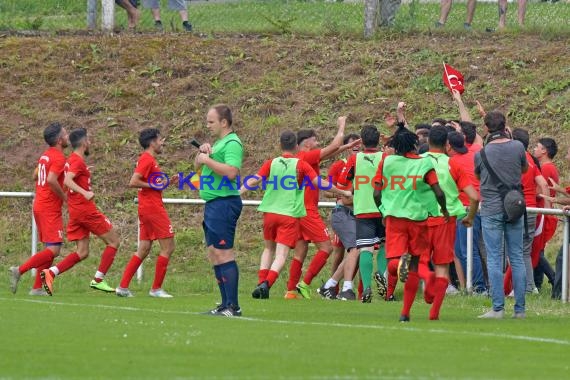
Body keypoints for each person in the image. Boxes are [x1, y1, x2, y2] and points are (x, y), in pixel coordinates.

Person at [241, 131, 352, 299]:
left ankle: (273, 286)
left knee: (274, 249)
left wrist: (238, 192)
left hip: (270, 211)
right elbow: (321, 180)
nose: (317, 142)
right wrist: (342, 191)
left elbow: (255, 179)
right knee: (286, 253)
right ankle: (277, 284)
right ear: (298, 146)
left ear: (280, 145)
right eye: (314, 140)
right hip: (291, 212)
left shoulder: (272, 162)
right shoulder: (301, 163)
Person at [373, 122, 448, 322]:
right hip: (419, 219)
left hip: (395, 218)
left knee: (393, 263)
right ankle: (405, 312)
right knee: (414, 265)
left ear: (396, 146)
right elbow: (438, 191)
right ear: (415, 145)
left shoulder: (387, 162)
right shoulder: (424, 163)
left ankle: (398, 268)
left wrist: (382, 210)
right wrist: (445, 209)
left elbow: (377, 193)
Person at [40, 128, 120, 296]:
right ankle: (98, 280)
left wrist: (83, 177)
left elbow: (68, 178)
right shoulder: (76, 161)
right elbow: (68, 181)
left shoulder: (72, 160)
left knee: (82, 252)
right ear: (84, 143)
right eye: (89, 140)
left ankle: (51, 272)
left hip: (75, 211)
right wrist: (85, 192)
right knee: (113, 242)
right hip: (85, 210)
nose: (90, 143)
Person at [287, 117, 360, 300]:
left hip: (298, 209)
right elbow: (333, 145)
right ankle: (305, 283)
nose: (318, 142)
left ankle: (290, 291)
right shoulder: (306, 156)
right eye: (315, 139)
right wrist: (342, 125)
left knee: (301, 250)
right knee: (326, 248)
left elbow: (331, 152)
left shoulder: (304, 157)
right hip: (307, 211)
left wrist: (346, 148)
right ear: (307, 142)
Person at [474, 111, 528, 319]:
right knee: (516, 257)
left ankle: (498, 308)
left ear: (486, 128)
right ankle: (520, 310)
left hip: (492, 208)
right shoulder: (518, 147)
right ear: (506, 126)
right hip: (514, 206)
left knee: (495, 258)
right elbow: (524, 169)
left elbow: (478, 175)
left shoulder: (481, 153)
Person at [422, 126, 479, 320]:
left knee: (419, 261)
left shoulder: (416, 162)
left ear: (428, 142)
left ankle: (426, 281)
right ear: (447, 144)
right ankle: (434, 313)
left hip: (420, 218)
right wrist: (469, 217)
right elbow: (474, 197)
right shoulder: (453, 165)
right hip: (446, 220)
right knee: (442, 266)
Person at [115, 128, 177, 298]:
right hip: (153, 208)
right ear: (152, 142)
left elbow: (148, 183)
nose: (162, 142)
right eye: (160, 140)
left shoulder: (148, 160)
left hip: (146, 207)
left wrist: (164, 183)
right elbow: (134, 181)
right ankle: (156, 289)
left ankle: (122, 287)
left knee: (144, 248)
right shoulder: (147, 159)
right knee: (169, 247)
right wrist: (155, 186)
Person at [9, 123, 69, 296]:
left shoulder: (46, 156)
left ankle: (37, 288)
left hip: (40, 205)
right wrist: (65, 197)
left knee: (49, 249)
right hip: (49, 207)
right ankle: (19, 270)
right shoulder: (58, 157)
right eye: (65, 134)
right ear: (59, 140)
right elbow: (51, 179)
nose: (67, 137)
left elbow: (36, 175)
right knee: (54, 250)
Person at [195, 104, 243, 317]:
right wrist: (203, 154)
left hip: (224, 203)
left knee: (224, 253)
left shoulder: (232, 143)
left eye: (211, 121)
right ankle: (224, 304)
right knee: (215, 254)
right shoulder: (218, 143)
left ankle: (232, 306)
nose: (208, 125)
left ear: (224, 122)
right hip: (214, 204)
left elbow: (232, 172)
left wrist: (208, 159)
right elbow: (197, 166)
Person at [337, 124, 386, 303]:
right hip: (383, 209)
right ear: (379, 139)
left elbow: (342, 184)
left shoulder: (354, 160)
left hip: (364, 209)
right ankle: (383, 278)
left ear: (362, 142)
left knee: (365, 248)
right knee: (384, 246)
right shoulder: (386, 157)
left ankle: (366, 288)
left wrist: (354, 189)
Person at [448, 131, 487, 294]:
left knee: (467, 250)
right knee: (460, 249)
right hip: (479, 206)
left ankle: (479, 287)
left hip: (466, 208)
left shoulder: (451, 162)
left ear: (449, 146)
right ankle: (473, 286)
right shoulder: (475, 153)